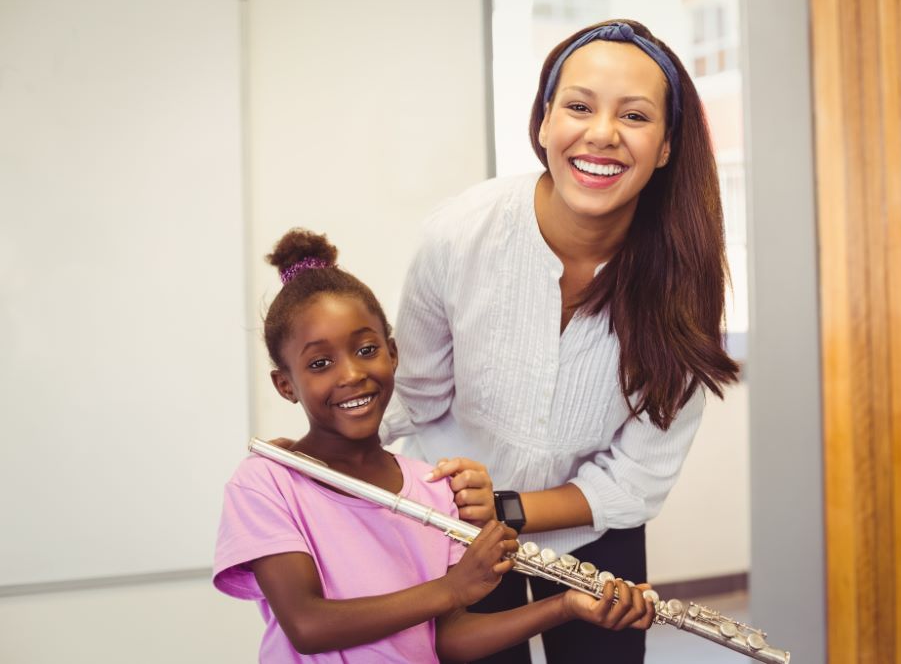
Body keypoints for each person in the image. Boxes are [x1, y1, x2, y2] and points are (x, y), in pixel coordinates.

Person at [380, 19, 740, 663]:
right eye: (578, 106)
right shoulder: (458, 235)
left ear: (665, 147)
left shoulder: (686, 283)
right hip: (454, 524)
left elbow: (637, 478)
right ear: (544, 122)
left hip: (592, 530)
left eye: (634, 115)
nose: (602, 133)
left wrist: (508, 507)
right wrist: (324, 460)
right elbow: (416, 397)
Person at [213, 228, 657, 663]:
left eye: (366, 350)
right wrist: (452, 589)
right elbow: (307, 626)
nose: (350, 374)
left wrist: (565, 606)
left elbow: (446, 641)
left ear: (393, 354)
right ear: (285, 384)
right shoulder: (266, 482)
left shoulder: (433, 487)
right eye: (320, 363)